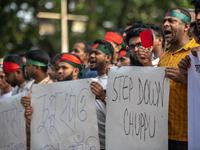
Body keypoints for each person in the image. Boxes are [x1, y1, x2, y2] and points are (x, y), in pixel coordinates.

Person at [159, 8, 199, 150]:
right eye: (164, 21)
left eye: (172, 21)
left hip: (190, 137)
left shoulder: (197, 53)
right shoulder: (163, 57)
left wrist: (187, 80)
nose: (165, 24)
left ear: (186, 26)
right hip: (162, 135)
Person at [23, 49, 53, 150]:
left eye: (27, 66)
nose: (26, 69)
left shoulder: (51, 89)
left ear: (37, 67)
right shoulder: (31, 85)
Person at [90, 39, 114, 150]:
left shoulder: (115, 80)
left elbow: (122, 110)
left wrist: (103, 97)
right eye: (91, 52)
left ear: (108, 57)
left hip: (110, 144)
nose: (92, 56)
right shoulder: (91, 81)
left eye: (97, 53)